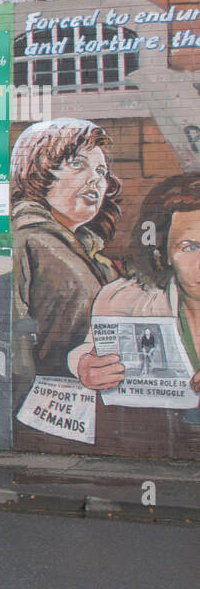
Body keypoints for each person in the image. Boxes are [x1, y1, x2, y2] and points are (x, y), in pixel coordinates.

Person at [10, 118, 122, 409]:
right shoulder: (25, 239)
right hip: (41, 412)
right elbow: (13, 343)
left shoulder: (95, 257)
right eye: (77, 164)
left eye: (102, 171)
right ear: (39, 170)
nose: (96, 179)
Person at [69, 173, 200, 414]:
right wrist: (83, 365)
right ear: (164, 255)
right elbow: (91, 350)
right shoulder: (125, 298)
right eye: (190, 247)